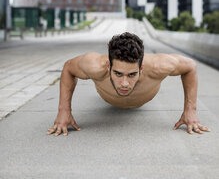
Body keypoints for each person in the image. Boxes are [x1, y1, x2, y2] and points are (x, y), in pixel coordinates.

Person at [47, 32, 211, 137]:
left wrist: (190, 111)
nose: (124, 83)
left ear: (141, 68)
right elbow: (69, 67)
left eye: (132, 74)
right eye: (118, 74)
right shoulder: (95, 65)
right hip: (107, 99)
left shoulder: (160, 65)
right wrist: (64, 111)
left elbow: (190, 66)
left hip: (143, 100)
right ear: (109, 66)